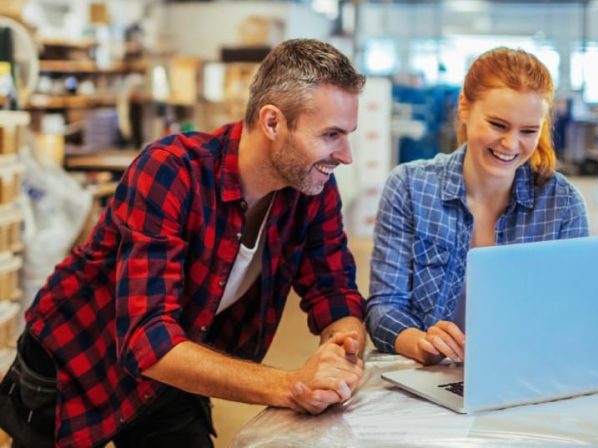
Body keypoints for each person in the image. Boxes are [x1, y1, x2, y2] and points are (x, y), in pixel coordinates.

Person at [0, 39, 367, 448]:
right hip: (78, 362)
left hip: (174, 372)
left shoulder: (311, 189)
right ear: (272, 122)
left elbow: (334, 291)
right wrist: (291, 385)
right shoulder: (171, 171)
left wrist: (341, 348)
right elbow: (148, 339)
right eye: (331, 134)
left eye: (347, 135)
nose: (345, 155)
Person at [366, 47, 589, 366]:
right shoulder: (409, 187)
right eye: (498, 125)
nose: (511, 145)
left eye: (528, 131)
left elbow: (573, 315)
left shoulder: (562, 204)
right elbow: (384, 307)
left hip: (523, 372)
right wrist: (422, 344)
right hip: (430, 375)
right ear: (465, 107)